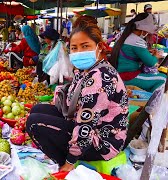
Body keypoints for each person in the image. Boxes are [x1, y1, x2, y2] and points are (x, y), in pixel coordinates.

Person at [26, 21, 128, 172]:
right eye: (74, 48)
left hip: (102, 140)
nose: (79, 52)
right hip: (87, 124)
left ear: (99, 47)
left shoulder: (99, 78)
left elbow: (85, 126)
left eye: (85, 46)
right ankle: (65, 155)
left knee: (35, 123)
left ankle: (65, 165)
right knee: (37, 109)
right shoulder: (85, 70)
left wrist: (69, 161)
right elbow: (71, 104)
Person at [109, 13, 166, 92]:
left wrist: (147, 52)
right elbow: (151, 63)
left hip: (119, 74)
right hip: (128, 77)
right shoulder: (137, 41)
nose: (147, 34)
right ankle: (151, 103)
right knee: (163, 78)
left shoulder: (124, 37)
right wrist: (156, 56)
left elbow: (130, 53)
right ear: (142, 29)